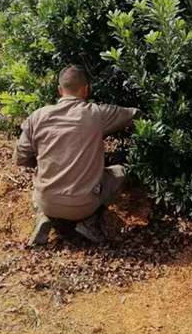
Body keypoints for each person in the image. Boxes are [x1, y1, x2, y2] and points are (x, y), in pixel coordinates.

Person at [14, 64, 141, 246]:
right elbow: (133, 115)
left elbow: (21, 157)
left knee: (39, 180)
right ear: (86, 89)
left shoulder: (37, 116)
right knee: (120, 172)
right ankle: (88, 222)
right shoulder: (96, 114)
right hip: (84, 205)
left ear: (59, 90)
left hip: (46, 201)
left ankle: (44, 216)